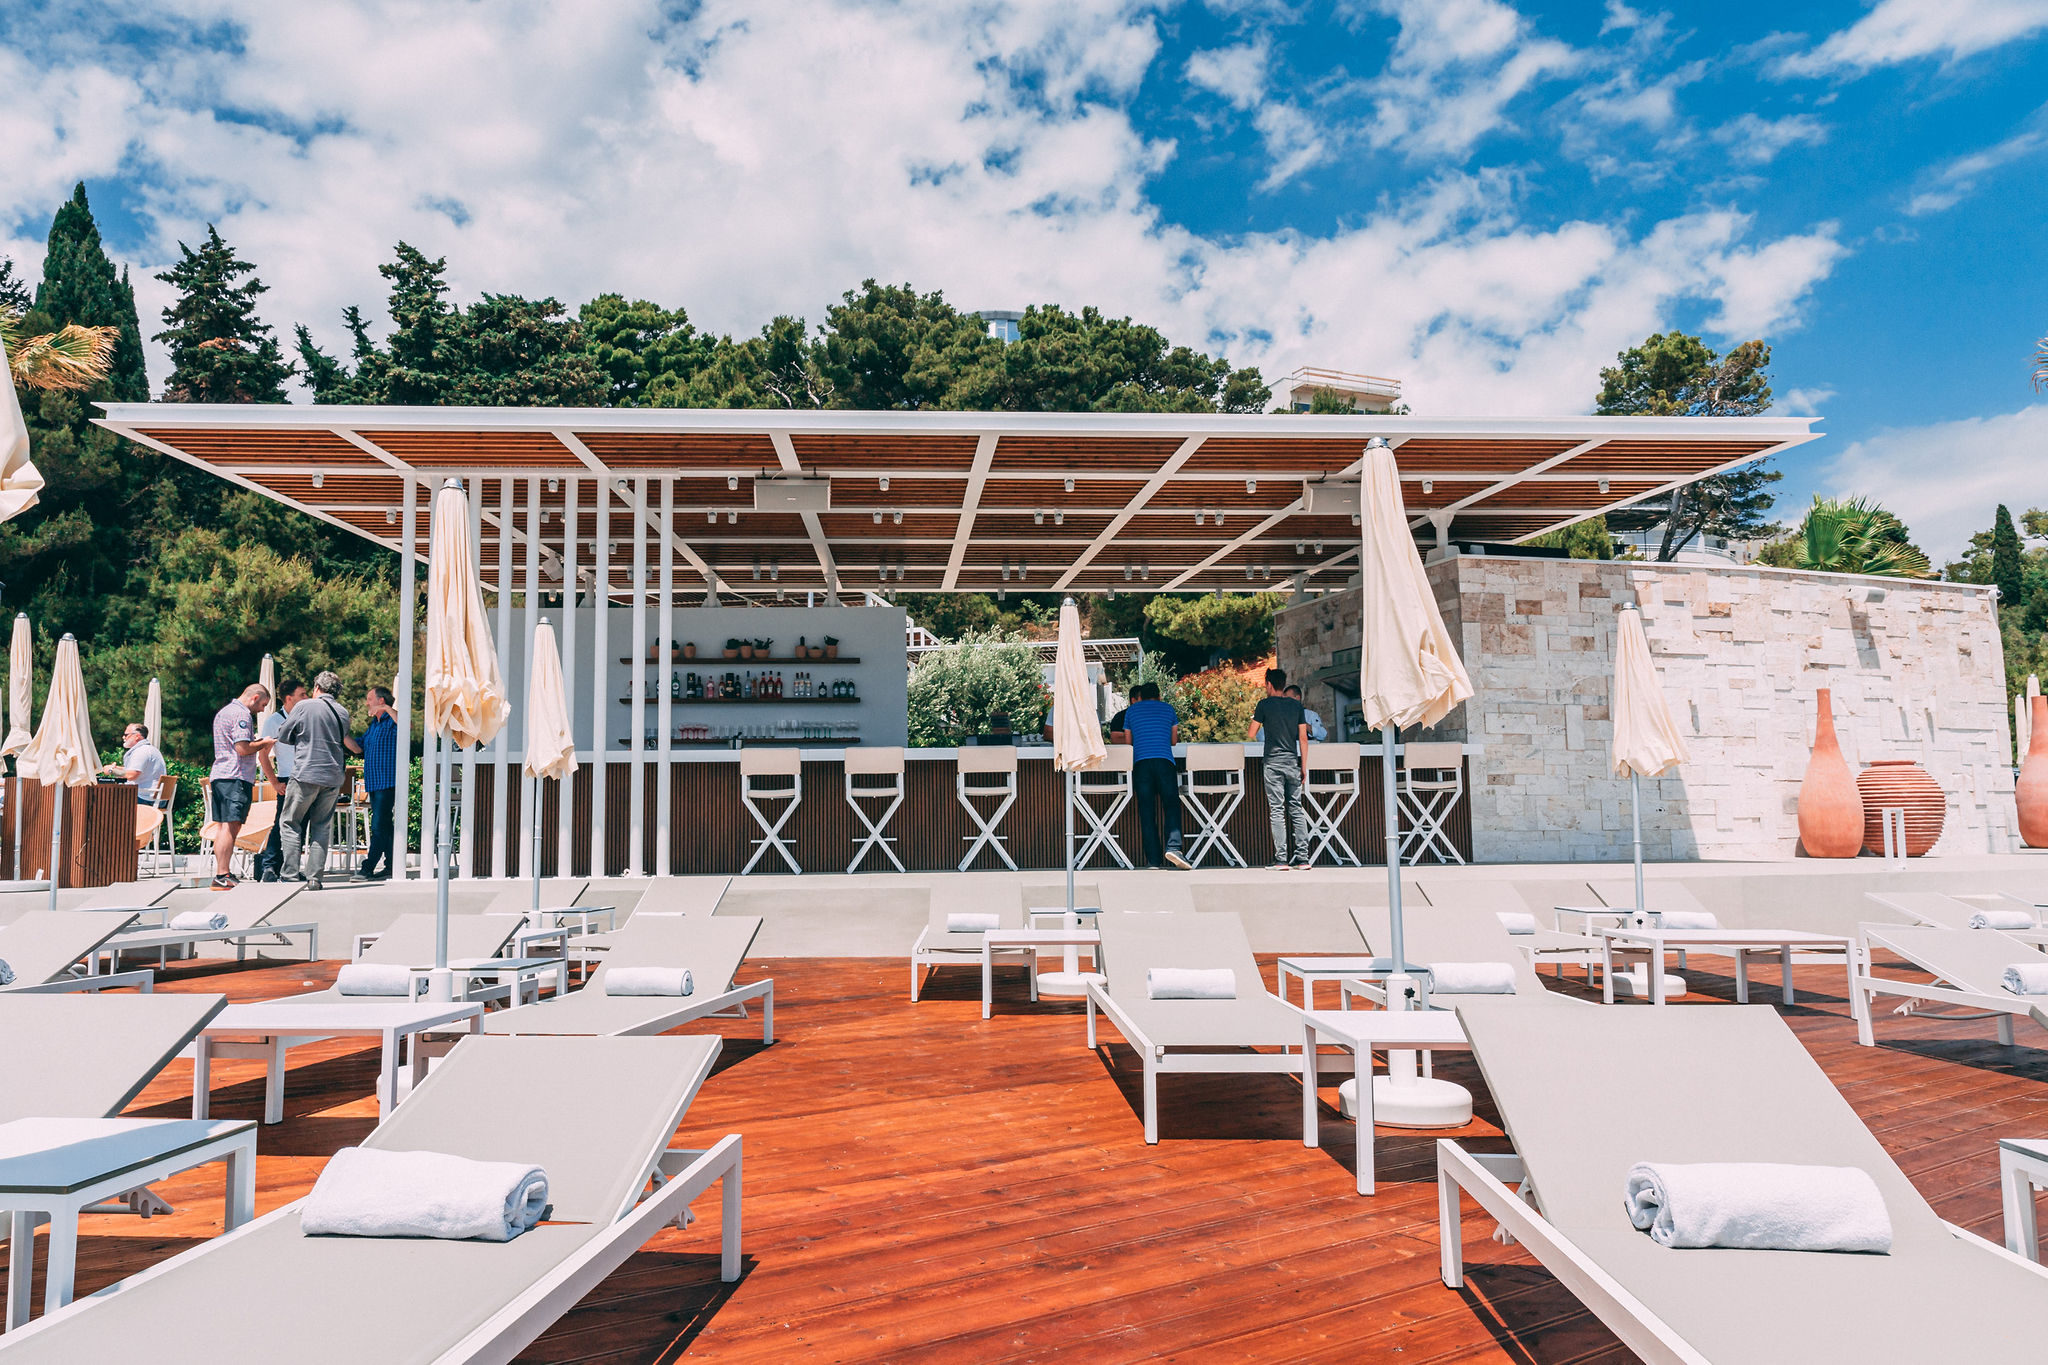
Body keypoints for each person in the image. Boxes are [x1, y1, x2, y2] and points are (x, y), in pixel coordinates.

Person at [274, 671, 351, 891]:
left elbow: (283, 735)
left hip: (306, 773)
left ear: (317, 687)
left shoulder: (304, 706)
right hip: (333, 776)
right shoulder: (342, 712)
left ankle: (289, 874)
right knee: (321, 826)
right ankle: (315, 878)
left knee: (290, 822)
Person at [208, 683, 275, 890]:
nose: (263, 709)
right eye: (263, 704)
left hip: (220, 774)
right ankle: (222, 874)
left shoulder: (224, 712)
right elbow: (243, 748)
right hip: (235, 776)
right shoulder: (242, 715)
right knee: (230, 826)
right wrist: (264, 743)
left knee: (222, 827)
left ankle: (222, 872)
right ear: (255, 698)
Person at [1118, 682, 1190, 870]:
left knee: (1147, 811)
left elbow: (1128, 743)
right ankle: (1174, 847)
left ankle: (1153, 860)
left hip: (1141, 764)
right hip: (1165, 762)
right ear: (1159, 696)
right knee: (1171, 805)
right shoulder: (1168, 709)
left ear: (1140, 696)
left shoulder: (1132, 711)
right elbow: (1173, 741)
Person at [1249, 666, 1310, 870]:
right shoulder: (1296, 707)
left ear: (1268, 684)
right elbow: (1303, 738)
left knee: (1277, 810)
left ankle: (1281, 860)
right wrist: (1304, 766)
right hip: (1293, 761)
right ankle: (1303, 859)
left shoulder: (1264, 705)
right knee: (1296, 809)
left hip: (1273, 763)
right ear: (1283, 685)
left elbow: (1251, 733)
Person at [253, 678, 306, 882]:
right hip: (287, 777)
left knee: (301, 826)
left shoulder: (306, 717)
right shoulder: (274, 721)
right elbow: (263, 755)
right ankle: (269, 866)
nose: (306, 698)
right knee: (280, 824)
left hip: (306, 777)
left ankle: (290, 867)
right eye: (302, 694)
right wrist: (274, 782)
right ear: (288, 698)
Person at [346, 684, 398, 881]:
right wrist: (342, 733)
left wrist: (387, 710)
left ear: (381, 701)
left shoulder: (391, 721)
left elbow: (406, 726)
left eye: (370, 699)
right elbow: (358, 748)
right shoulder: (374, 726)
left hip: (388, 781)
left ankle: (368, 868)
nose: (367, 703)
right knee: (385, 825)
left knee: (378, 825)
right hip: (375, 783)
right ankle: (392, 865)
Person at [101, 722, 168, 806]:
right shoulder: (150, 749)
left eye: (126, 735)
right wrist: (116, 768)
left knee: (104, 800)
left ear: (137, 736)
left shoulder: (142, 751)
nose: (123, 737)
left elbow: (132, 775)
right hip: (155, 797)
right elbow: (133, 770)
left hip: (145, 798)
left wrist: (111, 771)